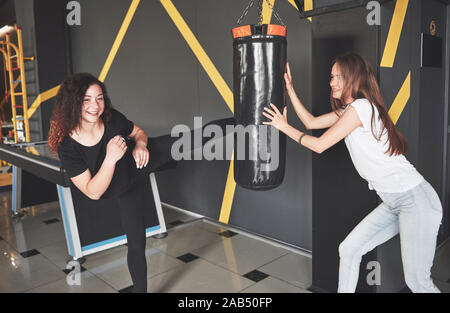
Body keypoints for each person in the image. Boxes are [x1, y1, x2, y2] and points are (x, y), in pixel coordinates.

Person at [262, 52, 443, 293]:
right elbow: (311, 123)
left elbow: (319, 145)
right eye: (331, 77)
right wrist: (291, 91)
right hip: (394, 201)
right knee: (349, 250)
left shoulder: (361, 108)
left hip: (415, 199)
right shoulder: (351, 110)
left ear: (353, 78)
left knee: (418, 283)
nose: (331, 82)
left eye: (338, 77)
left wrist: (284, 127)